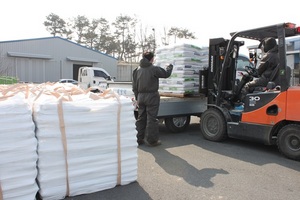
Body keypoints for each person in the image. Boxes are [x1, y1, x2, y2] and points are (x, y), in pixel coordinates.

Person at [132, 51, 173, 146]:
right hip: (152, 96)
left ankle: (138, 138)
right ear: (151, 59)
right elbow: (166, 74)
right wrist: (170, 67)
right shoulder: (153, 69)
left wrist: (137, 97)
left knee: (141, 118)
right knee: (151, 119)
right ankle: (152, 140)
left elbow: (134, 87)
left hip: (141, 96)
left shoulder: (137, 70)